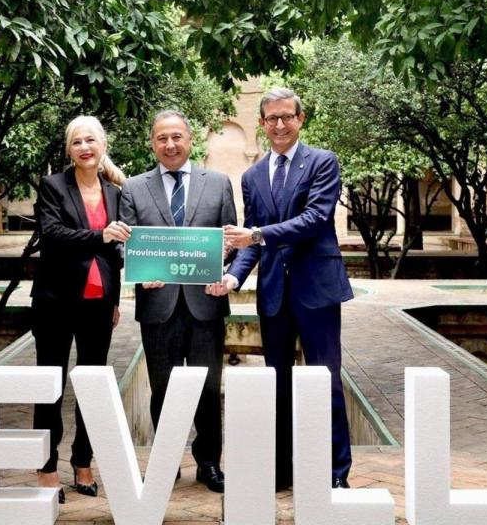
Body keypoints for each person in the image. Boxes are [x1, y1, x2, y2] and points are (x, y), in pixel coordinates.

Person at [222, 87, 355, 490]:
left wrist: (257, 235)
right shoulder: (251, 176)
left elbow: (315, 219)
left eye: (287, 117)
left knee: (325, 379)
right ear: (262, 125)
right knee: (275, 382)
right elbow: (251, 242)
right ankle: (281, 470)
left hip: (316, 289)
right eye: (271, 119)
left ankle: (335, 472)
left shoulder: (322, 163)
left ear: (301, 119)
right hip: (275, 294)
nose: (279, 124)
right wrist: (232, 277)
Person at [119, 110, 237, 493]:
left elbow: (231, 243)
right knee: (162, 388)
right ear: (152, 143)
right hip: (158, 305)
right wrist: (137, 266)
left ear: (190, 140)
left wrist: (223, 265)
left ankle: (208, 463)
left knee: (208, 388)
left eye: (176, 137)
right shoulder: (134, 188)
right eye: (162, 138)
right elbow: (125, 246)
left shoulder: (218, 184)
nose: (170, 145)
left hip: (205, 303)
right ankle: (166, 460)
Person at [31, 115, 131, 502]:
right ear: (69, 150)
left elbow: (117, 254)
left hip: (98, 304)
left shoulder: (117, 194)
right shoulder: (54, 186)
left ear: (102, 145)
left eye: (91, 140)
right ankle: (46, 465)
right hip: (55, 300)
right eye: (77, 142)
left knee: (92, 385)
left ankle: (83, 461)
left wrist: (116, 300)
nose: (85, 147)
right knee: (50, 385)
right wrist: (100, 234)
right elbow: (52, 236)